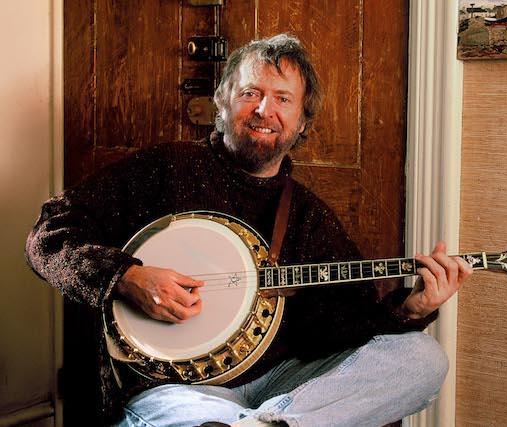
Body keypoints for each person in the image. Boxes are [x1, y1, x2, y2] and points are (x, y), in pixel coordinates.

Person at [25, 34, 472, 427]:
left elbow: (342, 327)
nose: (264, 110)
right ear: (223, 100)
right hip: (177, 391)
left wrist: (409, 310)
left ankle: (267, 425)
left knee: (420, 359)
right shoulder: (164, 169)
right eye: (251, 92)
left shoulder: (309, 216)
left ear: (301, 122)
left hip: (283, 386)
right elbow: (46, 237)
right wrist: (126, 277)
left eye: (282, 99)